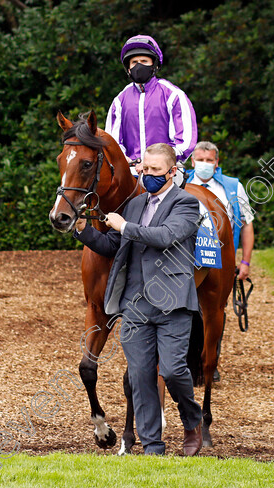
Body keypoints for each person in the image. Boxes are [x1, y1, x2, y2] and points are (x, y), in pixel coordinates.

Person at [73, 143, 203, 456]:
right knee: (141, 375)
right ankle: (153, 447)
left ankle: (191, 420)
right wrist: (83, 231)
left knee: (172, 371)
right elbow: (111, 245)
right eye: (144, 169)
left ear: (172, 172)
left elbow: (165, 237)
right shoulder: (134, 205)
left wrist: (126, 226)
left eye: (156, 170)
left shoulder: (186, 204)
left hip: (173, 302)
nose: (148, 175)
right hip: (135, 304)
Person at [185, 141, 255, 382]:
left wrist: (244, 262)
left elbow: (246, 225)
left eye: (209, 160)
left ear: (217, 162)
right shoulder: (181, 183)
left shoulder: (234, 188)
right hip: (188, 258)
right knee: (189, 310)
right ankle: (190, 364)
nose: (204, 164)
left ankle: (210, 361)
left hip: (222, 260)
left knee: (215, 311)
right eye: (200, 159)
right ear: (192, 161)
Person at [105, 35, 197, 179]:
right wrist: (123, 158)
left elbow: (185, 141)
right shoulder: (119, 101)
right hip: (130, 173)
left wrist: (154, 162)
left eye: (144, 61)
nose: (138, 65)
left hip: (167, 173)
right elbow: (112, 141)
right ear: (128, 68)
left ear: (154, 65)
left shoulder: (173, 95)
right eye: (134, 62)